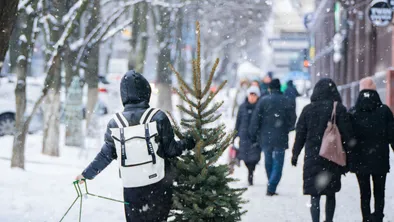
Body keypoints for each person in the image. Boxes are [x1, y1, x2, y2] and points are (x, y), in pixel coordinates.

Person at [75, 70, 195, 222]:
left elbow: (105, 156)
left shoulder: (115, 123)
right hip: (158, 185)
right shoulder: (158, 117)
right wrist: (191, 141)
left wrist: (86, 175)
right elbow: (172, 150)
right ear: (146, 92)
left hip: (132, 187)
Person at [291, 78, 353, 222]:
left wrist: (295, 154)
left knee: (315, 194)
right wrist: (349, 158)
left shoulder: (308, 109)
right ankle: (329, 220)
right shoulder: (338, 109)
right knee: (331, 193)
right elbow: (347, 135)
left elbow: (300, 134)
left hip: (313, 157)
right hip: (333, 157)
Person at [348, 77, 394, 222]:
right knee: (380, 191)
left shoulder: (354, 111)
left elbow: (348, 136)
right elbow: (392, 134)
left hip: (360, 159)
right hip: (379, 158)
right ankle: (378, 216)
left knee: (364, 192)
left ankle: (366, 218)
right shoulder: (384, 110)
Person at [249, 79, 296, 195]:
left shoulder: (263, 101)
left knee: (268, 161)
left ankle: (271, 182)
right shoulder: (286, 100)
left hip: (265, 137)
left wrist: (254, 134)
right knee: (278, 163)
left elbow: (256, 119)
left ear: (269, 88)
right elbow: (293, 118)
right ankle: (272, 184)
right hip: (281, 136)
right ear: (279, 88)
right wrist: (287, 128)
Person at [234, 85, 262, 186]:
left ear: (257, 96)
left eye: (254, 95)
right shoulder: (242, 107)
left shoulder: (260, 107)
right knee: (246, 158)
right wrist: (234, 135)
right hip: (244, 135)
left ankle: (251, 173)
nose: (252, 97)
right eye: (251, 95)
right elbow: (238, 121)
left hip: (255, 137)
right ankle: (250, 172)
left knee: (254, 158)